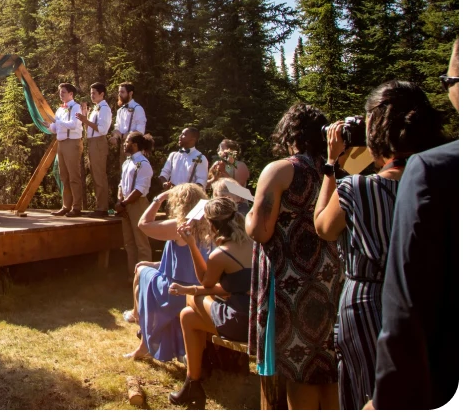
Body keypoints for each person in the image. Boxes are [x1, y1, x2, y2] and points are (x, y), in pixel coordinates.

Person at [313, 79, 443, 410]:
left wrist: (333, 164)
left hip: (368, 304)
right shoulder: (443, 178)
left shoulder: (357, 189)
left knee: (369, 393)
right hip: (430, 298)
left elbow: (324, 227)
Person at [370, 38, 459, 411]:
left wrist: (385, 402)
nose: (449, 88)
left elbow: (407, 308)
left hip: (438, 377)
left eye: (449, 79)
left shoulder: (431, 171)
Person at [246, 102, 343, 409]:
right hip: (332, 284)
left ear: (290, 134)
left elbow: (260, 231)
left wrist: (247, 213)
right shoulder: (337, 171)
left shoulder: (280, 171)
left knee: (300, 372)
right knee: (329, 370)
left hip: (290, 287)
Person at [168, 196, 255, 409]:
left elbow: (205, 283)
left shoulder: (221, 254)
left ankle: (194, 382)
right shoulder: (255, 243)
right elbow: (233, 287)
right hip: (261, 318)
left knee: (193, 299)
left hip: (241, 324)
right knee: (187, 317)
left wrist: (191, 245)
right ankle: (192, 383)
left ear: (213, 225)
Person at [122, 182, 207, 364]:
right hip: (198, 286)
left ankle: (142, 337)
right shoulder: (209, 225)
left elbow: (143, 224)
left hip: (176, 291)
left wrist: (159, 198)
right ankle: (141, 328)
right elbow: (187, 259)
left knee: (142, 273)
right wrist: (156, 263)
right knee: (145, 268)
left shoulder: (179, 225)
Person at [116, 132, 156, 273]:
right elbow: (122, 183)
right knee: (129, 242)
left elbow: (140, 188)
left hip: (137, 204)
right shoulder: (127, 162)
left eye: (127, 142)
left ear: (135, 145)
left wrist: (124, 203)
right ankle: (132, 274)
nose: (124, 144)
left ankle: (145, 275)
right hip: (125, 204)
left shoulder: (143, 164)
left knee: (141, 242)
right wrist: (120, 200)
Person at [51, 82, 85, 216]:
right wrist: (48, 124)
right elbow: (55, 128)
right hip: (61, 143)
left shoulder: (76, 107)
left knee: (74, 176)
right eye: (60, 92)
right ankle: (66, 205)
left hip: (72, 142)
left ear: (71, 94)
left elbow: (73, 124)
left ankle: (76, 207)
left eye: (63, 92)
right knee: (64, 176)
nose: (61, 95)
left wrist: (57, 123)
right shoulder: (60, 109)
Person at [84, 81, 112, 216]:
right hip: (92, 142)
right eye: (90, 93)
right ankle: (99, 206)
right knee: (95, 175)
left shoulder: (104, 109)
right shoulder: (96, 108)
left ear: (102, 94)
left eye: (94, 93)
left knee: (100, 175)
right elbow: (89, 129)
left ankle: (102, 208)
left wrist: (85, 120)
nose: (92, 96)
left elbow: (101, 129)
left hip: (99, 143)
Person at [157, 127, 209, 191]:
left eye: (184, 135)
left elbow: (201, 181)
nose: (180, 136)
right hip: (172, 196)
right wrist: (165, 183)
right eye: (181, 134)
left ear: (193, 139)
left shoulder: (200, 158)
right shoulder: (173, 155)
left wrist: (187, 192)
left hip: (189, 198)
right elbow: (164, 173)